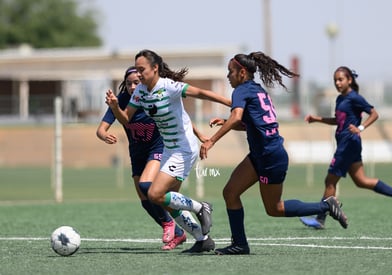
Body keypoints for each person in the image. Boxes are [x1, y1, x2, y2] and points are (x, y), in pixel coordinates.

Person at [199, 51, 348, 255]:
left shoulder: (242, 90)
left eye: (230, 72)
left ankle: (325, 206)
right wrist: (226, 123)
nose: (228, 76)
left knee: (274, 208)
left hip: (270, 156)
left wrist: (211, 140)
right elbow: (251, 124)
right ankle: (240, 244)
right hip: (263, 154)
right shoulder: (258, 90)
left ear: (242, 73)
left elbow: (237, 117)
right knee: (230, 192)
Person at [105, 49, 232, 253]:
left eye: (142, 69)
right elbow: (126, 119)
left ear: (155, 68)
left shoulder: (169, 87)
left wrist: (230, 103)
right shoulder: (139, 92)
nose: (138, 74)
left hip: (183, 148)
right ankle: (202, 239)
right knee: (169, 201)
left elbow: (201, 93)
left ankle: (201, 207)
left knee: (155, 193)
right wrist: (114, 107)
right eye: (136, 69)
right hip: (169, 148)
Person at [299, 66, 392, 229]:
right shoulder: (340, 99)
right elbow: (339, 120)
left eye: (340, 79)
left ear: (349, 80)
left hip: (348, 145)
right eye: (335, 80)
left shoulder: (354, 97)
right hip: (350, 144)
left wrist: (361, 128)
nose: (337, 82)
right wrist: (317, 119)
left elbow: (374, 113)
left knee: (330, 181)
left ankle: (320, 218)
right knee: (361, 181)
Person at [96, 66, 186, 250]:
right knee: (145, 201)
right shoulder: (121, 100)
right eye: (129, 83)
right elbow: (100, 129)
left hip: (158, 147)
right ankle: (178, 233)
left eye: (136, 82)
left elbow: (178, 117)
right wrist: (104, 135)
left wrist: (199, 135)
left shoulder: (153, 96)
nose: (132, 86)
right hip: (136, 152)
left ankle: (170, 223)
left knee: (146, 185)